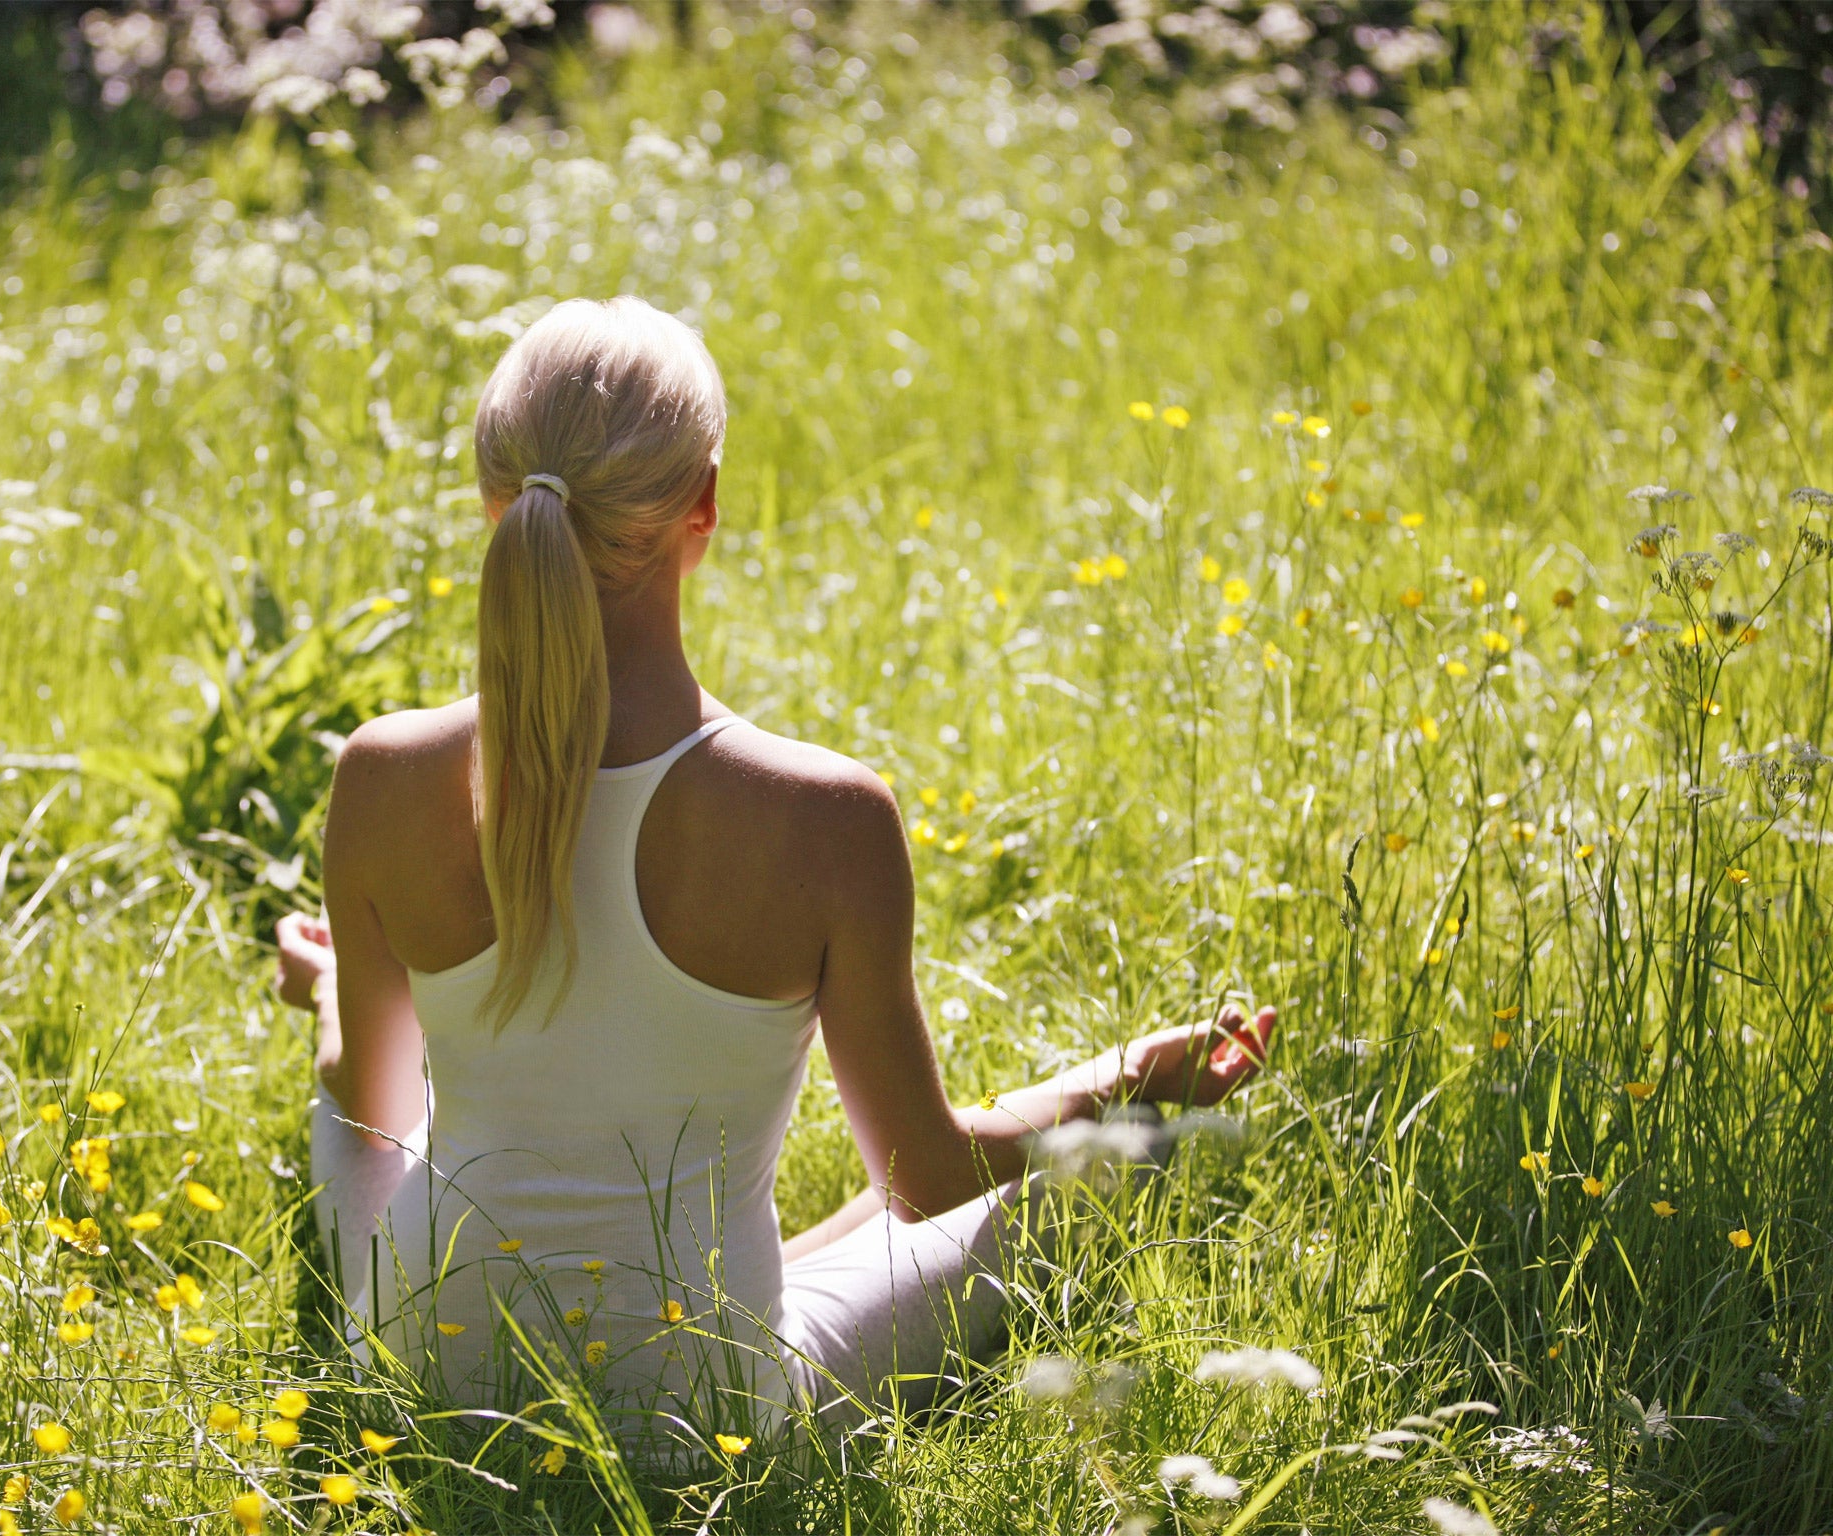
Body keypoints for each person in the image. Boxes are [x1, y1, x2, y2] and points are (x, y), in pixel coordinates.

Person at [271, 295, 1274, 1450]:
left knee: (361, 1132)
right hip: (699, 1416)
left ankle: (732, 1267)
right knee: (1099, 1158)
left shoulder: (383, 771)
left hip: (425, 1372)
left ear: (492, 502)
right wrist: (1114, 1080)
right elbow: (926, 1174)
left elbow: (373, 1098)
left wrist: (333, 996)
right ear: (704, 501)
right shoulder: (821, 814)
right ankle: (1143, 1114)